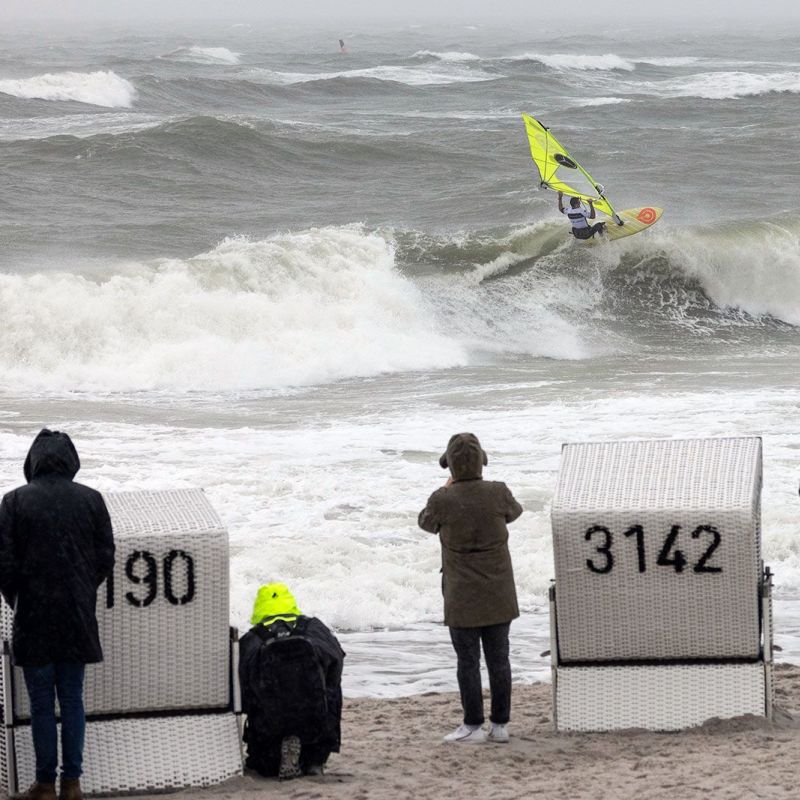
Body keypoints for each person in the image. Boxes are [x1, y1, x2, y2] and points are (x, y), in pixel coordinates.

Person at [0, 429, 115, 800]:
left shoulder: (14, 501)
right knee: (72, 698)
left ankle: (45, 784)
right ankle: (73, 783)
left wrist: (17, 598)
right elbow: (105, 556)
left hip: (33, 615)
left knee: (40, 704)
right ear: (71, 460)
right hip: (76, 615)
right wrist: (83, 590)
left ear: (32, 461)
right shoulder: (92, 500)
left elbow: (4, 563)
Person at [418, 433, 523, 745]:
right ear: (482, 461)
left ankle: (473, 725)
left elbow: (425, 522)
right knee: (499, 658)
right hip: (499, 591)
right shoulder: (498, 492)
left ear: (450, 466)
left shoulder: (442, 499)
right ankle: (500, 725)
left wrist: (446, 488)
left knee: (467, 661)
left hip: (462, 594)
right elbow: (514, 513)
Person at [238, 582, 345, 780]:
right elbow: (337, 662)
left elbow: (242, 699)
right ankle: (314, 762)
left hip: (267, 741)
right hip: (316, 733)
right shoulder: (314, 628)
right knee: (330, 685)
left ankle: (276, 752)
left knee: (261, 763)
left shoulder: (251, 640)